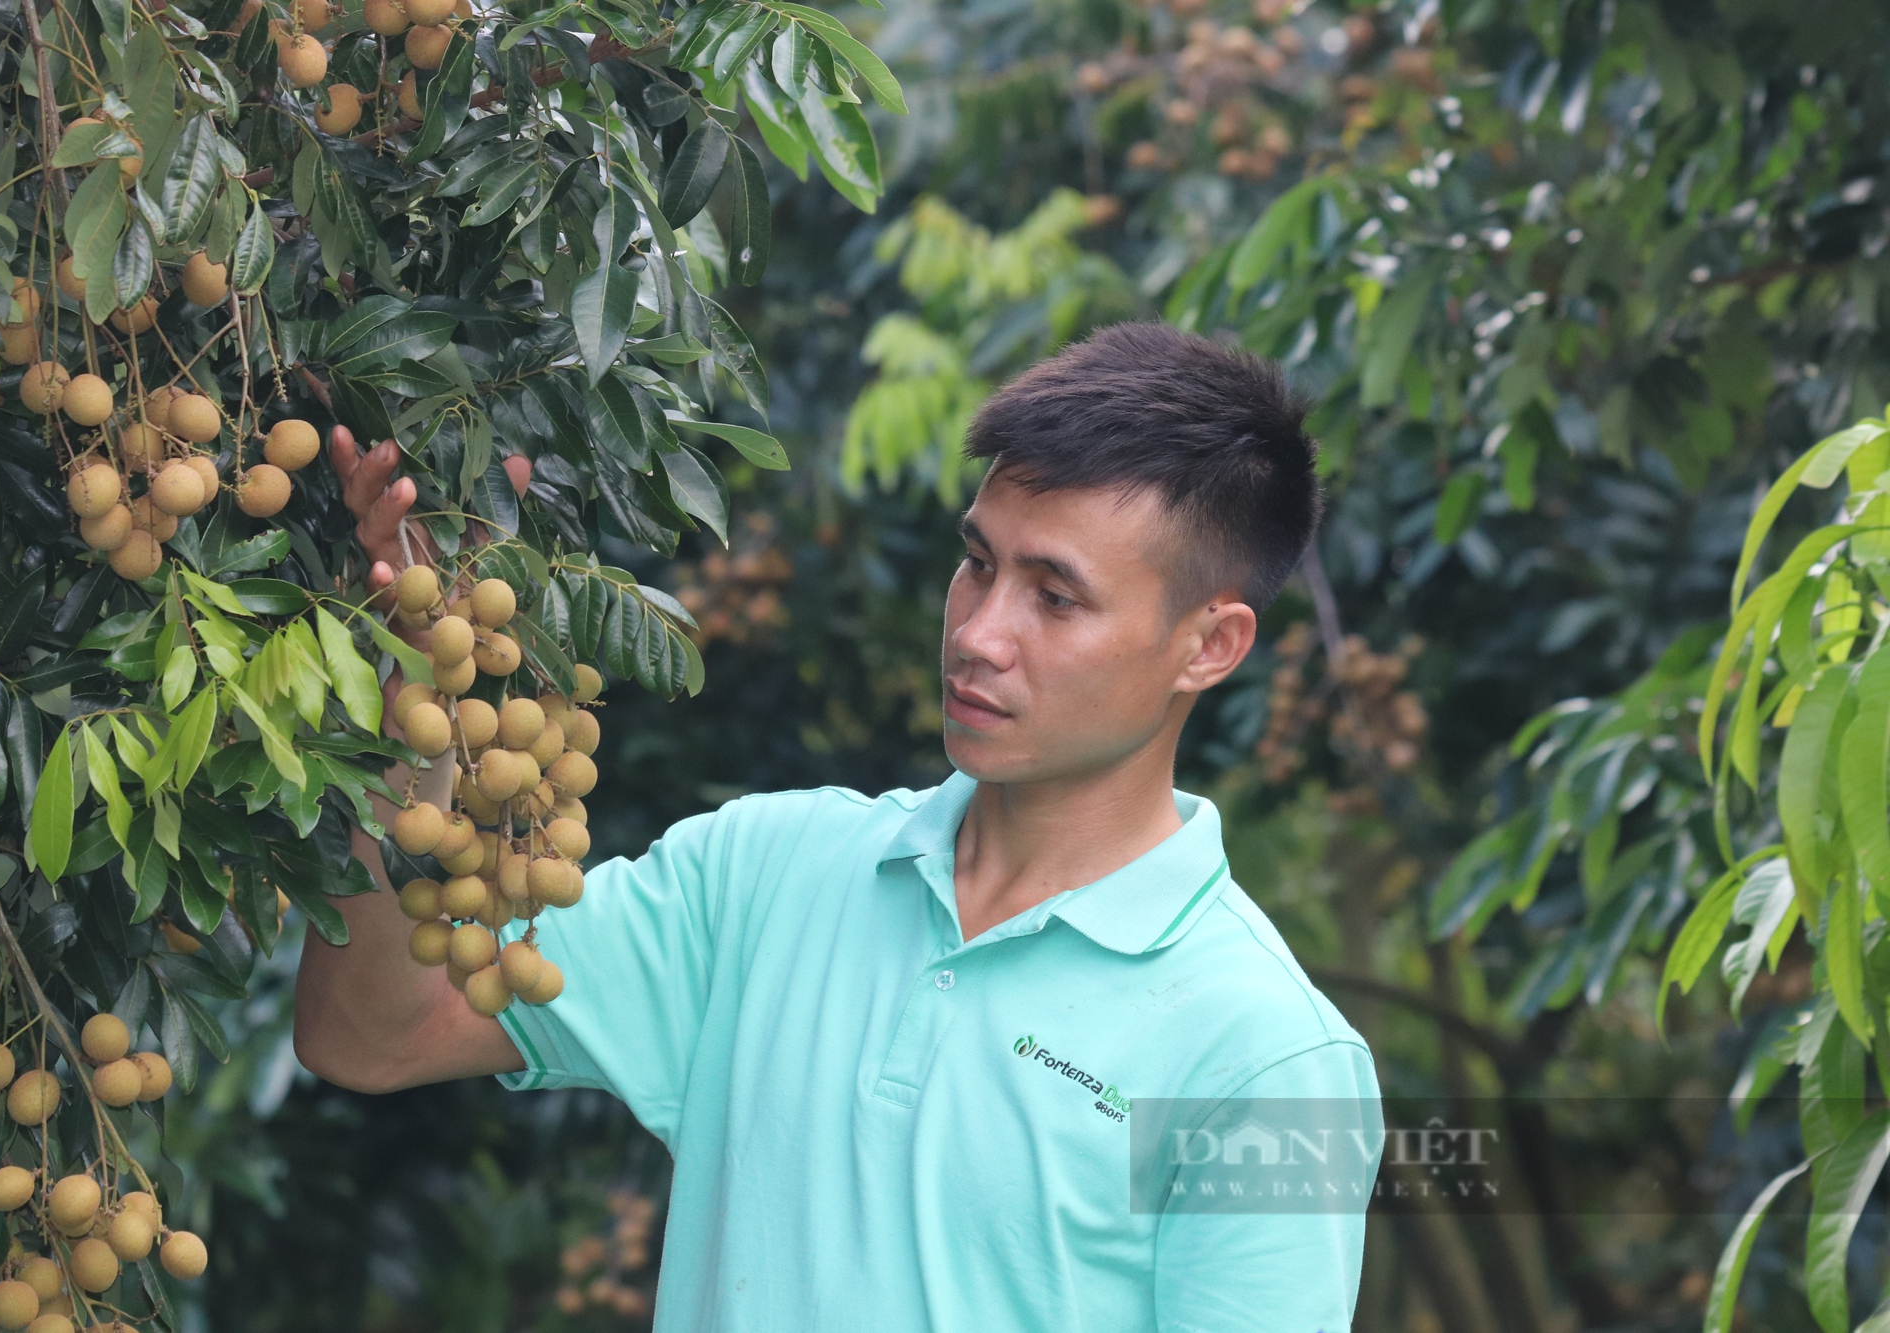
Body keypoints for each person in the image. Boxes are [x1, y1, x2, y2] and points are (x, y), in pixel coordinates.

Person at [295, 322, 1384, 1332]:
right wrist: (413, 741)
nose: (978, 633)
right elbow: (372, 1036)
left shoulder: (1270, 1060)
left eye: (1055, 597)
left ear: (1211, 644)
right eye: (978, 563)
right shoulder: (764, 875)